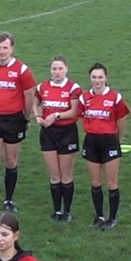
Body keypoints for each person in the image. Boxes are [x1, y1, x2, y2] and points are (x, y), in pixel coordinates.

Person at [0, 32, 37, 217]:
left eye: (5, 47)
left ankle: (8, 200)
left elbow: (29, 95)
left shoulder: (21, 70)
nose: (1, 51)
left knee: (11, 161)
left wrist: (26, 118)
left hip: (14, 120)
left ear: (12, 48)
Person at [79, 62, 130, 229]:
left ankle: (112, 218)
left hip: (110, 141)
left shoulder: (115, 98)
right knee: (95, 181)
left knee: (112, 182)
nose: (97, 80)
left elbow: (122, 120)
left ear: (106, 78)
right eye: (94, 77)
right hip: (91, 141)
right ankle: (99, 216)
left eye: (100, 77)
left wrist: (117, 139)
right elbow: (81, 117)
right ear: (90, 78)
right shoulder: (84, 98)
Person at [34, 55, 83, 221]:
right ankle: (57, 211)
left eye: (60, 68)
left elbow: (74, 111)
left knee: (66, 174)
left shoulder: (73, 88)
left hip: (67, 132)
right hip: (48, 133)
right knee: (54, 175)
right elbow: (35, 103)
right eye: (54, 68)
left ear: (66, 69)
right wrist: (37, 116)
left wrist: (56, 115)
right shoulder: (42, 87)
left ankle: (67, 211)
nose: (57, 72)